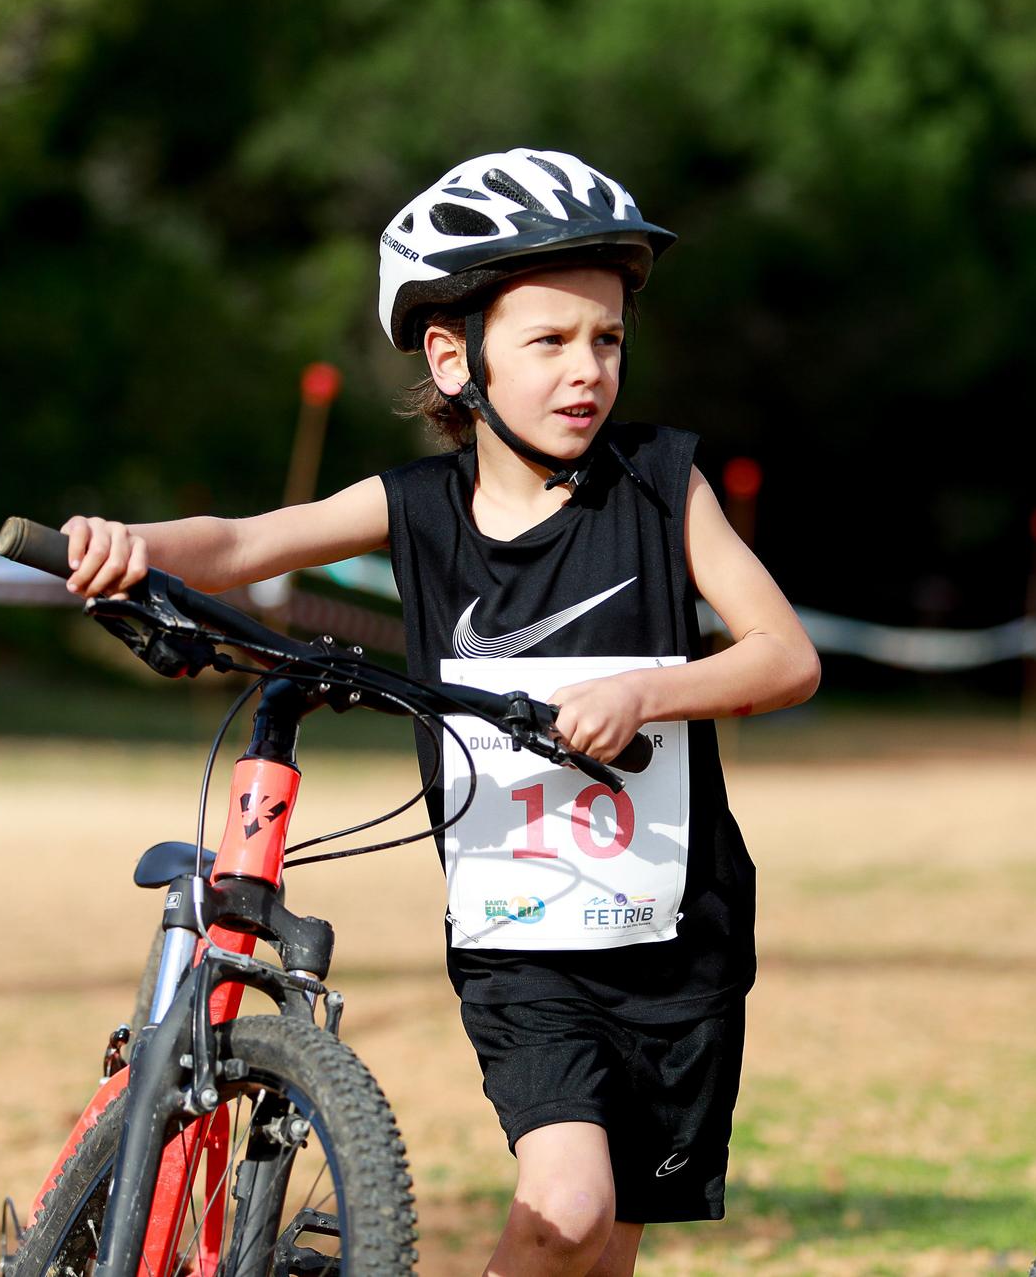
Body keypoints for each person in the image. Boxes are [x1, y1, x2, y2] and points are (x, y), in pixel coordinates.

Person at [56, 148, 821, 1277]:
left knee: (603, 1244)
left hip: (677, 933)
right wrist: (131, 546)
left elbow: (784, 655)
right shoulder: (417, 508)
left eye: (606, 339)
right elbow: (238, 543)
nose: (586, 371)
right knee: (560, 1206)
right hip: (520, 936)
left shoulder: (663, 483)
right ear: (454, 359)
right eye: (549, 341)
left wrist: (644, 691)